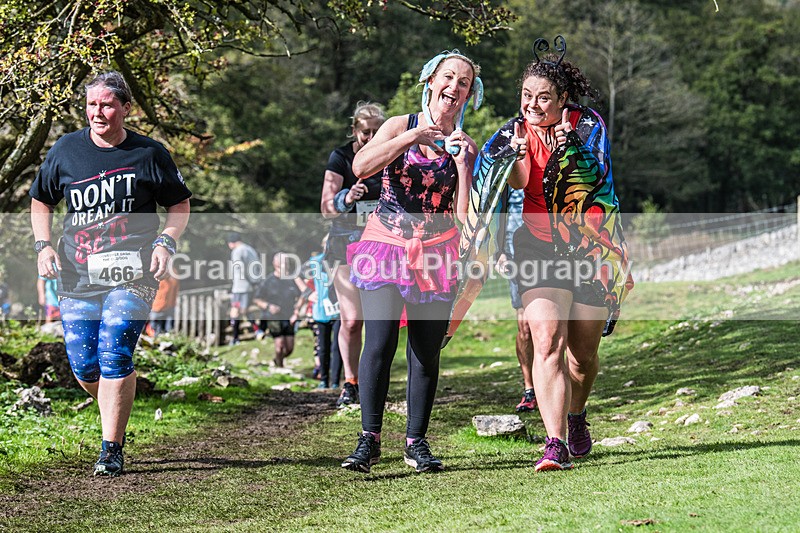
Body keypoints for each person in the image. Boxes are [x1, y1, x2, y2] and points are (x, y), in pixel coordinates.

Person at [29, 71, 191, 477]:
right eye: (90, 105)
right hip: (76, 272)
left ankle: (111, 448)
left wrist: (165, 242)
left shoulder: (149, 154)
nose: (97, 112)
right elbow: (40, 202)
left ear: (125, 108)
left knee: (115, 349)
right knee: (85, 364)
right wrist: (43, 245)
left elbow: (179, 205)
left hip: (132, 270)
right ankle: (113, 411)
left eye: (106, 104)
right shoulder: (66, 150)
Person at [340, 50, 482, 473]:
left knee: (425, 351)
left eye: (464, 84)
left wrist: (463, 165)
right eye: (449, 78)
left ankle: (416, 442)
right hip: (386, 244)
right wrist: (411, 138)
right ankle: (369, 440)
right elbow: (361, 166)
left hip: (436, 251)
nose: (454, 88)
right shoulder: (399, 125)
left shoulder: (465, 145)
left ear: (469, 96)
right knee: (379, 342)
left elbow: (463, 219)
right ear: (430, 82)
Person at [505, 37, 631, 471]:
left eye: (543, 97)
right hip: (537, 244)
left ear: (562, 98)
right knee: (547, 343)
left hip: (589, 246)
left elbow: (597, 177)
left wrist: (570, 144)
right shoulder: (513, 131)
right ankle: (554, 441)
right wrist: (517, 158)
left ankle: (577, 416)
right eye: (526, 96)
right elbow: (517, 183)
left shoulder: (588, 124)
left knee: (582, 357)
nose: (533, 105)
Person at [320, 101, 386, 408]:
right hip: (344, 245)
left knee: (378, 321)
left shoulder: (390, 156)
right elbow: (325, 209)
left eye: (377, 132)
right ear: (354, 131)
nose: (371, 139)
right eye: (364, 133)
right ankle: (350, 382)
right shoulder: (341, 157)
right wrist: (346, 197)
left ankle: (373, 381)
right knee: (351, 319)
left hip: (383, 246)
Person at [496, 187, 536, 412]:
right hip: (515, 249)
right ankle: (530, 389)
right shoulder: (511, 154)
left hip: (553, 244)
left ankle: (556, 384)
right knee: (526, 327)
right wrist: (498, 250)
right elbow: (496, 204)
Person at [252, 252, 303, 367]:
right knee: (279, 346)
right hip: (273, 317)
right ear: (275, 264)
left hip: (289, 316)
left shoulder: (293, 279)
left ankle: (277, 360)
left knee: (289, 348)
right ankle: (280, 367)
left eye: (286, 262)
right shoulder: (268, 281)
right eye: (281, 262)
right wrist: (268, 306)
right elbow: (257, 299)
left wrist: (297, 310)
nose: (285, 264)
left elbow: (302, 295)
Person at [307, 237, 342, 389]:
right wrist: (308, 294)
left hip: (339, 309)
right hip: (321, 310)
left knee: (337, 347)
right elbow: (303, 279)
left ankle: (335, 382)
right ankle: (323, 380)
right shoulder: (314, 261)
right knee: (323, 346)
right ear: (323, 246)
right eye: (327, 244)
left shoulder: (342, 261)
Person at [226, 231, 259, 345]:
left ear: (231, 243)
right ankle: (257, 331)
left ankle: (235, 338)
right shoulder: (251, 250)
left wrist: (248, 279)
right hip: (251, 285)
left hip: (240, 286)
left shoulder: (237, 251)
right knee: (247, 309)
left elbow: (240, 268)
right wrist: (255, 281)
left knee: (235, 311)